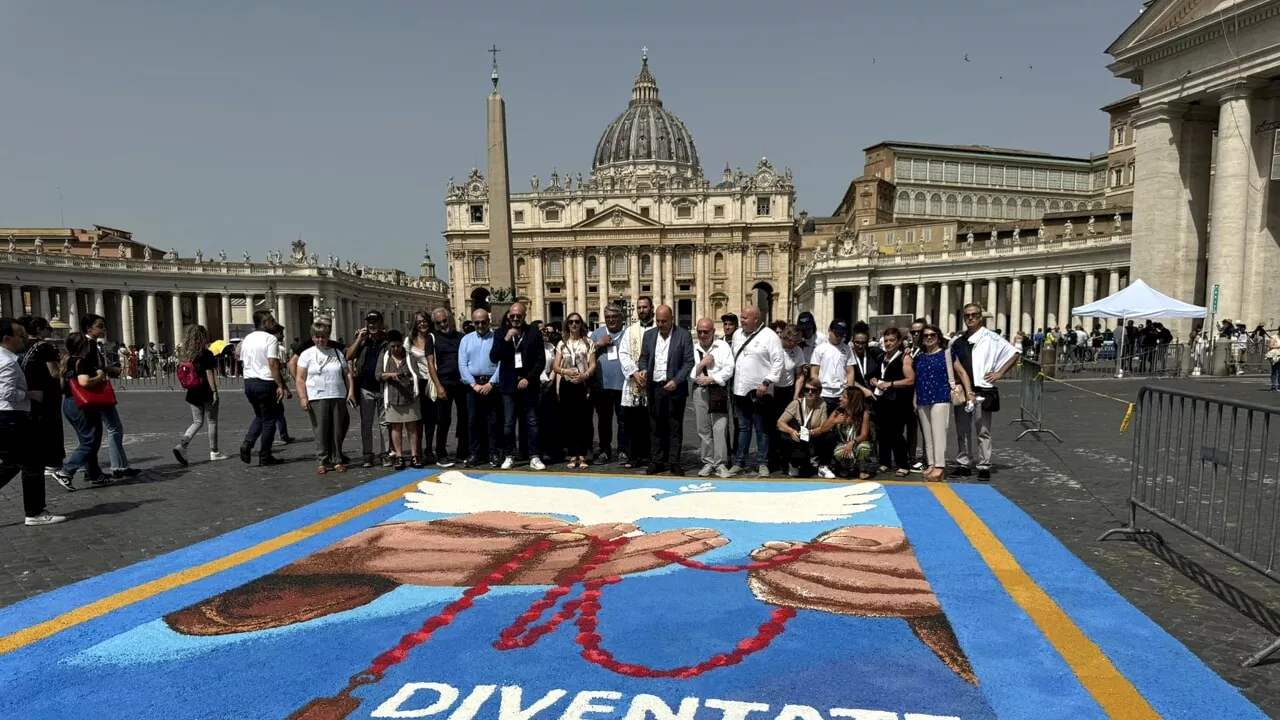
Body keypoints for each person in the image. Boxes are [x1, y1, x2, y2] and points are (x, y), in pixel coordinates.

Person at [0, 317, 67, 525]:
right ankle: (35, 512)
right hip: (13, 416)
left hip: (5, 417)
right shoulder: (8, 362)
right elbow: (6, 392)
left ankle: (35, 511)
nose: (23, 339)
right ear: (6, 338)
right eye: (19, 335)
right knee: (33, 463)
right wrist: (29, 395)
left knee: (12, 463)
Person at [949, 303, 1019, 480]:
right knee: (962, 429)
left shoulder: (991, 337)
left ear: (980, 317)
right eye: (967, 315)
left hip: (983, 389)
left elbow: (1015, 352)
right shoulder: (957, 341)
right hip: (963, 391)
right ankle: (964, 462)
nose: (970, 318)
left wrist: (1000, 373)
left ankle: (984, 464)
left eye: (974, 315)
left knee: (983, 430)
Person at [80, 314, 140, 480]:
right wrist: (109, 370)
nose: (103, 329)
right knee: (114, 428)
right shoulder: (89, 345)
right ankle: (117, 466)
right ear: (88, 328)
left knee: (112, 428)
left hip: (96, 392)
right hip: (98, 392)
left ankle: (120, 466)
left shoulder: (90, 344)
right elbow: (93, 368)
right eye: (99, 326)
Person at [728, 305, 785, 477]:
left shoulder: (770, 336)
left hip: (761, 392)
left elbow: (778, 362)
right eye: (741, 317)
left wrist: (766, 382)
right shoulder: (737, 334)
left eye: (745, 318)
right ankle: (739, 462)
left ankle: (762, 463)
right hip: (740, 389)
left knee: (762, 429)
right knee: (743, 428)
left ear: (756, 319)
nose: (742, 321)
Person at [637, 304, 694, 475]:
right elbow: (643, 358)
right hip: (655, 387)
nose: (660, 324)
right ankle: (657, 461)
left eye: (664, 321)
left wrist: (677, 381)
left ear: (672, 320)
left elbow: (688, 362)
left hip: (674, 388)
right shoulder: (649, 335)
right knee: (655, 426)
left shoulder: (683, 336)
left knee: (674, 426)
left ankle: (674, 461)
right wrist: (643, 369)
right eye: (658, 321)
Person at [488, 302, 545, 471]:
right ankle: (509, 455)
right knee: (508, 423)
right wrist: (506, 340)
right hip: (508, 385)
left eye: (518, 316)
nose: (514, 319)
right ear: (508, 316)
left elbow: (540, 360)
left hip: (529, 385)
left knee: (532, 421)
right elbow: (494, 357)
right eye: (512, 316)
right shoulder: (500, 333)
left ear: (524, 316)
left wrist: (528, 378)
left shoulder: (533, 332)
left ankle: (534, 456)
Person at [913, 324, 973, 482]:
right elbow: (917, 379)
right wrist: (914, 398)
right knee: (927, 435)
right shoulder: (919, 357)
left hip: (941, 397)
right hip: (923, 398)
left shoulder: (947, 354)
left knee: (938, 433)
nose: (929, 338)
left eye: (932, 335)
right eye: (925, 335)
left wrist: (969, 393)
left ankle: (940, 466)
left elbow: (961, 372)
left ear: (938, 337)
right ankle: (931, 463)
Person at [53, 332, 113, 489]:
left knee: (86, 440)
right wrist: (100, 375)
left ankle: (95, 474)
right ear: (83, 346)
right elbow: (85, 382)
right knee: (90, 441)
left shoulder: (66, 361)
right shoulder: (82, 362)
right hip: (82, 404)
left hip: (68, 403)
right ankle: (66, 472)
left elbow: (61, 385)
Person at [295, 321, 354, 474]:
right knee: (320, 430)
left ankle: (337, 459)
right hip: (316, 396)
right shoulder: (306, 354)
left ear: (328, 337)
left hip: (337, 394)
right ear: (313, 338)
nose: (320, 340)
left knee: (337, 430)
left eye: (323, 337)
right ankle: (322, 460)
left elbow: (347, 373)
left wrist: (351, 391)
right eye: (317, 337)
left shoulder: (336, 353)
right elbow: (300, 378)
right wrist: (303, 397)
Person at [237, 310, 288, 466]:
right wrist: (281, 385)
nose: (274, 323)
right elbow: (273, 363)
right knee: (269, 420)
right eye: (272, 321)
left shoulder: (247, 339)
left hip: (249, 382)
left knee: (260, 415)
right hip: (265, 382)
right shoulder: (270, 339)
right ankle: (265, 455)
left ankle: (248, 442)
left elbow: (238, 356)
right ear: (264, 323)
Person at [173, 324, 228, 466]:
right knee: (212, 421)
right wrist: (214, 391)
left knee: (197, 422)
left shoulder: (185, 354)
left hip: (192, 390)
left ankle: (183, 445)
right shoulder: (206, 354)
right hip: (206, 389)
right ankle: (214, 452)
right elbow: (209, 373)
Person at [18, 316, 64, 477]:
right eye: (48, 328)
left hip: (29, 392)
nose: (50, 331)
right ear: (39, 329)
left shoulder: (22, 346)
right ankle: (53, 463)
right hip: (48, 392)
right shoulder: (45, 347)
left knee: (35, 427)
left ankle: (38, 460)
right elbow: (54, 372)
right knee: (52, 426)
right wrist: (65, 368)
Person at [691, 317, 734, 478]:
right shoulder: (693, 348)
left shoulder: (722, 347)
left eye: (706, 332)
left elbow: (730, 368)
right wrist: (703, 363)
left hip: (718, 390)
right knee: (703, 429)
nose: (702, 335)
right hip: (700, 391)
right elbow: (690, 373)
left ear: (713, 332)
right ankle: (708, 462)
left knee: (720, 427)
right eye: (700, 332)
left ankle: (721, 463)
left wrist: (712, 378)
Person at [458, 308, 501, 468]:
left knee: (493, 421)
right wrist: (473, 384)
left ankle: (493, 453)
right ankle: (474, 453)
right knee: (473, 421)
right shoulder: (466, 340)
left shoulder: (497, 338)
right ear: (473, 322)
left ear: (488, 322)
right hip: (472, 385)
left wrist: (491, 383)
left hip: (491, 383)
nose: (480, 325)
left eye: (483, 322)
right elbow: (462, 364)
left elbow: (501, 363)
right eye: (477, 322)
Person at [347, 311, 390, 467]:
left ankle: (385, 453)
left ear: (381, 323)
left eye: (375, 321)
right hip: (365, 388)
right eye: (369, 322)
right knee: (366, 423)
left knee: (385, 423)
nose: (371, 325)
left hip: (384, 387)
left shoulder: (387, 339)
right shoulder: (362, 340)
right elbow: (349, 356)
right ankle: (367, 455)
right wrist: (359, 339)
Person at [871, 327, 915, 478]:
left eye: (892, 341)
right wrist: (874, 380)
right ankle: (885, 462)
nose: (888, 344)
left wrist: (890, 384)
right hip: (882, 401)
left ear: (898, 342)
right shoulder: (881, 357)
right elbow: (877, 375)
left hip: (898, 402)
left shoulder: (904, 357)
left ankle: (903, 464)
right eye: (886, 341)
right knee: (882, 433)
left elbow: (910, 380)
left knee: (896, 434)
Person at [554, 312, 595, 469]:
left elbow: (592, 365)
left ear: (581, 324)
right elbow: (555, 366)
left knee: (584, 421)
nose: (574, 324)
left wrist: (584, 376)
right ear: (567, 324)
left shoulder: (588, 343)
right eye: (571, 322)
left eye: (577, 321)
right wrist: (566, 372)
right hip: (567, 384)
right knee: (569, 421)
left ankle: (583, 454)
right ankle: (572, 454)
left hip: (583, 384)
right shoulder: (562, 344)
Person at [618, 297, 656, 469]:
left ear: (651, 308)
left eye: (645, 307)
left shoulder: (658, 328)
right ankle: (633, 456)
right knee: (632, 421)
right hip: (634, 381)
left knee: (651, 421)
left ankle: (650, 455)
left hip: (652, 381)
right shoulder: (630, 331)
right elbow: (623, 354)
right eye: (639, 307)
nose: (642, 310)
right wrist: (634, 373)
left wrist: (647, 373)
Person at [775, 378, 837, 478]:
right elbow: (780, 423)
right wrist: (791, 431)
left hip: (813, 435)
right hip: (798, 437)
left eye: (813, 390)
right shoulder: (796, 403)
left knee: (829, 435)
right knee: (784, 437)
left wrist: (812, 432)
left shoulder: (822, 404)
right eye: (807, 390)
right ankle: (793, 464)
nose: (810, 393)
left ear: (819, 392)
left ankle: (823, 466)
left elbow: (823, 427)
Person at [378, 330, 422, 470]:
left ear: (402, 344)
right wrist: (390, 375)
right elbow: (378, 375)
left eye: (398, 346)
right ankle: (399, 456)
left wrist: (406, 377)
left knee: (411, 427)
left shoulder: (410, 357)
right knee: (396, 428)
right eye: (393, 346)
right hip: (391, 397)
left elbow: (417, 375)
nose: (396, 349)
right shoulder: (385, 357)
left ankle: (415, 456)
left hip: (409, 396)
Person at [589, 305, 628, 464]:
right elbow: (586, 354)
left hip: (623, 384)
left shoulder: (628, 333)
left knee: (623, 420)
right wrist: (598, 344)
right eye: (608, 317)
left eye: (614, 317)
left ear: (621, 318)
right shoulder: (597, 334)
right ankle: (605, 450)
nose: (611, 320)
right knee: (604, 420)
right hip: (602, 385)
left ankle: (623, 450)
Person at [429, 308, 468, 467]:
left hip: (461, 382)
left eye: (444, 321)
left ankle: (462, 451)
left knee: (464, 418)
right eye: (438, 323)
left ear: (450, 318)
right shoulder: (432, 339)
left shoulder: (462, 337)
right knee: (444, 420)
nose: (443, 324)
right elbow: (431, 364)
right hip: (444, 383)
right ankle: (441, 454)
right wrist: (438, 385)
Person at [407, 312, 442, 465]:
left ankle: (429, 448)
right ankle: (418, 451)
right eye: (419, 321)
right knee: (417, 419)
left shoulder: (435, 338)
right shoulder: (409, 341)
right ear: (415, 324)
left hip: (433, 381)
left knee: (432, 418)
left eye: (425, 321)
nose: (422, 324)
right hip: (418, 382)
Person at [829, 386, 874, 480]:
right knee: (839, 451)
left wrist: (852, 442)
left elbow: (864, 435)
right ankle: (845, 467)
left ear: (853, 400)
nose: (840, 398)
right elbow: (823, 429)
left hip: (857, 443)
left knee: (864, 448)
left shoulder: (864, 413)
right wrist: (834, 421)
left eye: (844, 397)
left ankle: (863, 469)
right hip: (843, 443)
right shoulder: (838, 411)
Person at [810, 320, 851, 411]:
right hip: (824, 393)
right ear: (830, 331)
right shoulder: (819, 349)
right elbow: (814, 372)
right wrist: (816, 391)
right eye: (836, 334)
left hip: (841, 393)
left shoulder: (847, 349)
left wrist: (850, 392)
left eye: (841, 335)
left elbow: (850, 371)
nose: (839, 337)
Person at [271, 326, 295, 444]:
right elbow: (277, 367)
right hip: (274, 382)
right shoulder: (277, 347)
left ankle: (283, 434)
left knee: (277, 411)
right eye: (281, 334)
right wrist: (284, 387)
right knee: (277, 412)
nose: (283, 336)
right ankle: (282, 435)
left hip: (272, 381)